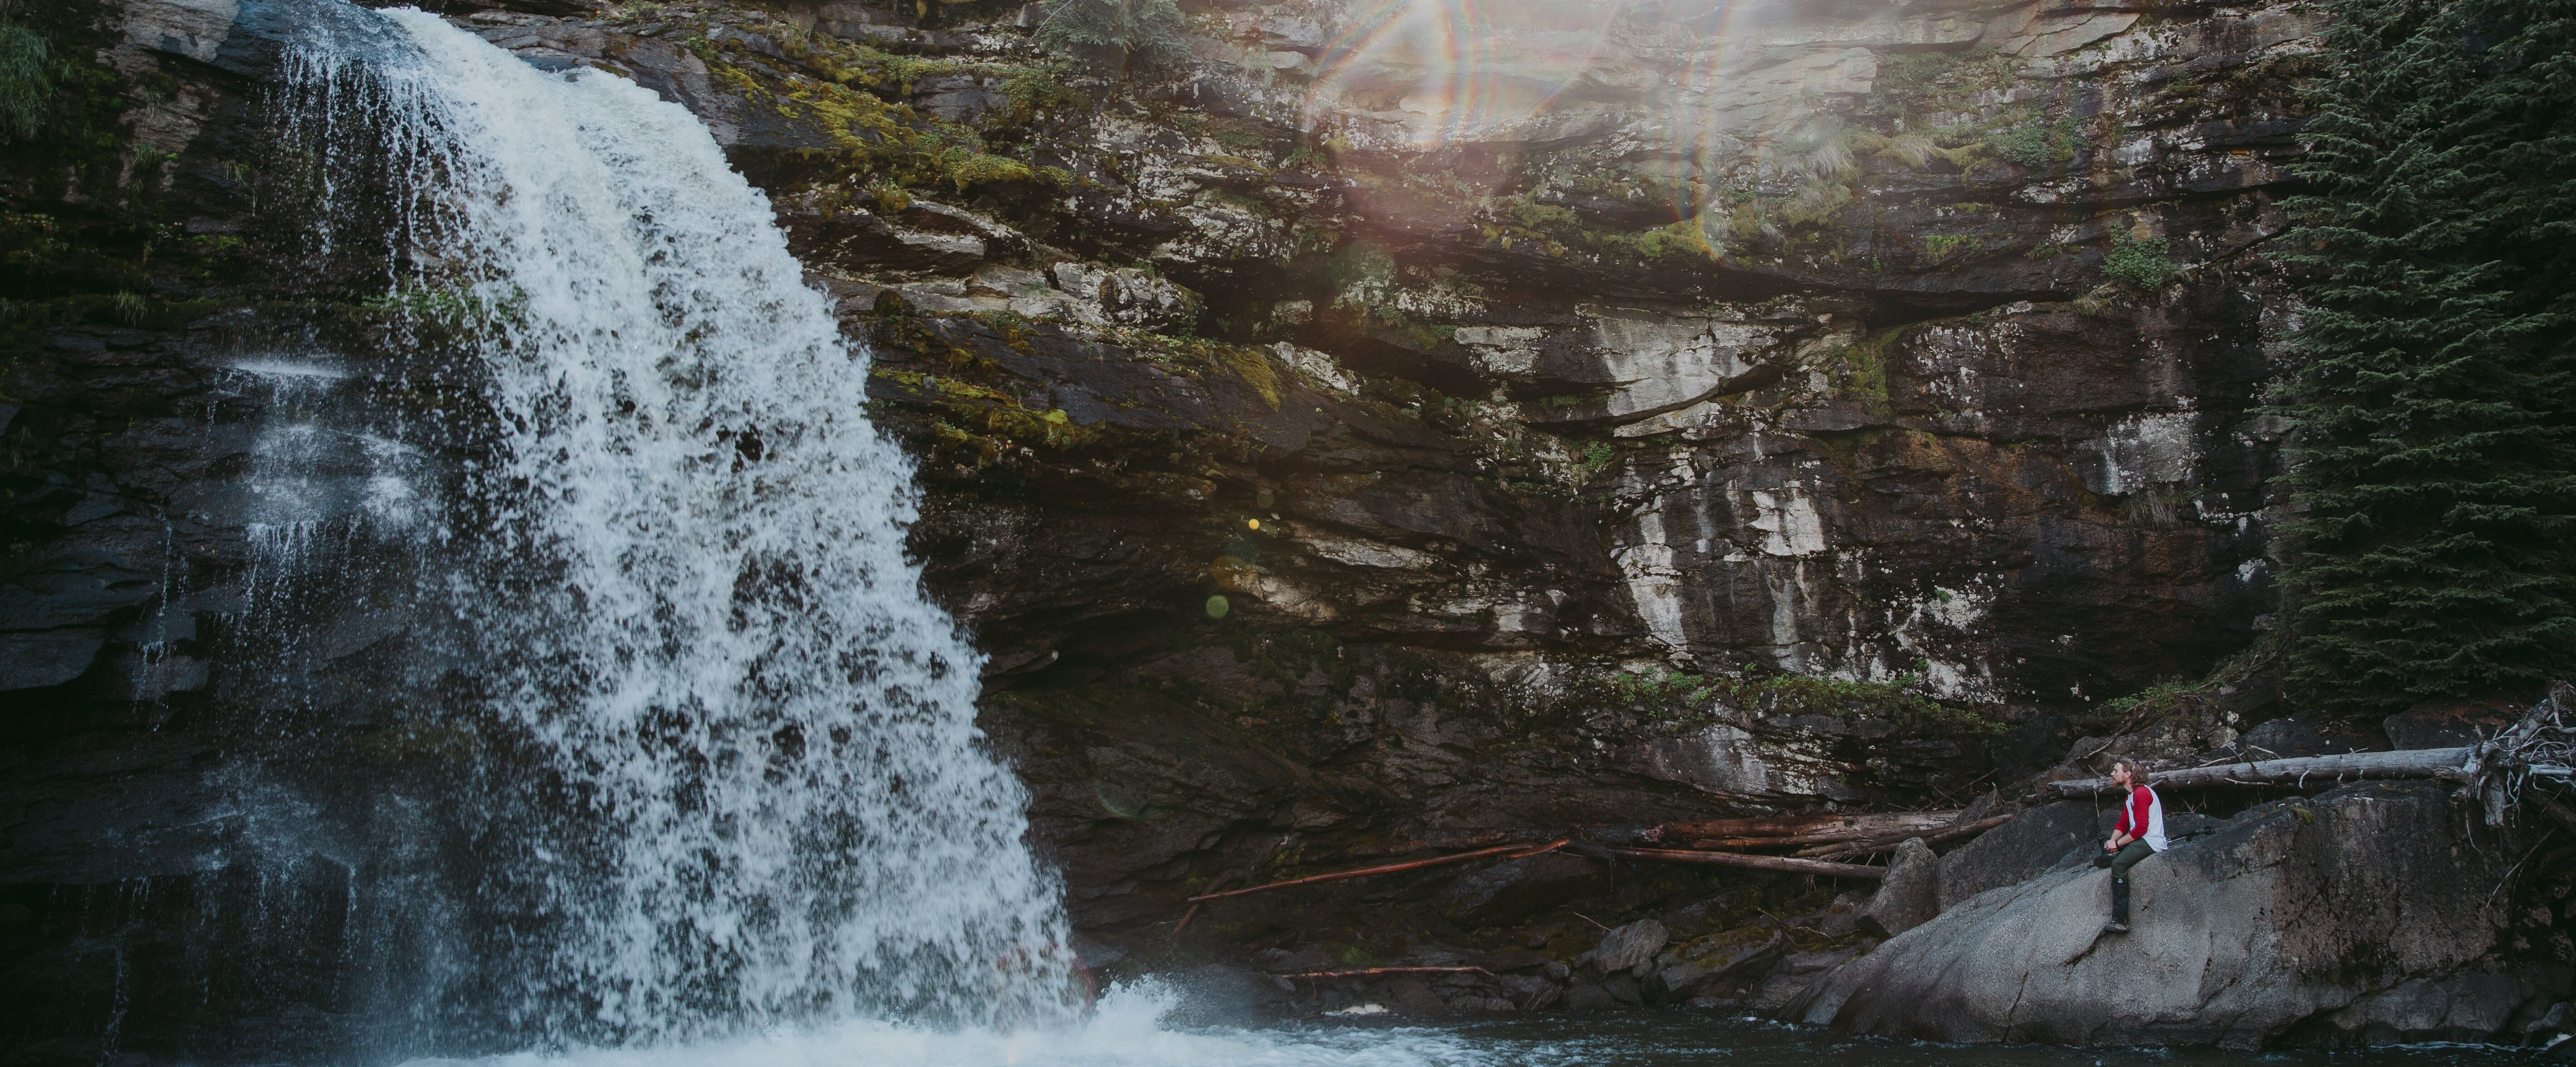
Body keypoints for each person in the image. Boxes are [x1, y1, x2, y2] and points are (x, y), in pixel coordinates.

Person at [2090, 757, 2165, 934]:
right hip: (2139, 839)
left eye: (2116, 771)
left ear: (2128, 774)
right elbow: (2123, 824)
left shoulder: (2141, 793)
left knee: (2119, 865)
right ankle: (2112, 855)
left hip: (2151, 842)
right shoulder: (2131, 796)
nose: (2112, 774)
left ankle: (2120, 921)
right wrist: (2112, 843)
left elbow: (2141, 829)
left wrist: (2118, 843)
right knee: (2104, 834)